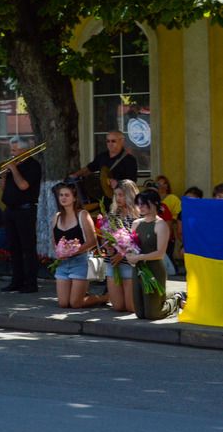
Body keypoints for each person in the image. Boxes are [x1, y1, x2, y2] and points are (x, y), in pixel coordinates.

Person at [125, 190, 186, 319]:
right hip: (138, 269)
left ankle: (176, 299)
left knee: (153, 314)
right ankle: (165, 295)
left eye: (143, 204)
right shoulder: (136, 223)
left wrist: (139, 257)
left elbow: (160, 253)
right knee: (140, 314)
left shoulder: (161, 225)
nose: (140, 207)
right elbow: (131, 246)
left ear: (154, 204)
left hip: (153, 268)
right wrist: (128, 255)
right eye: (138, 204)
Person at [50, 182, 107, 309]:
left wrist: (73, 251)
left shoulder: (82, 215)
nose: (63, 198)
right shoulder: (57, 217)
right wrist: (59, 252)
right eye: (61, 195)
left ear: (74, 198)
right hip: (63, 263)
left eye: (67, 195)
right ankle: (82, 293)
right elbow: (55, 241)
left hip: (81, 261)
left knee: (75, 304)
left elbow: (92, 241)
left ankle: (105, 297)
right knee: (63, 303)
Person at [0, 136, 42, 293]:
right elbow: (4, 189)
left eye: (14, 150)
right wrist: (4, 175)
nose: (12, 153)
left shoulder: (33, 165)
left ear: (24, 150)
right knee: (13, 247)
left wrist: (14, 169)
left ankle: (31, 284)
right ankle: (16, 281)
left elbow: (24, 186)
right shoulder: (13, 166)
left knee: (27, 248)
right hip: (10, 210)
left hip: (25, 210)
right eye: (11, 150)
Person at [102, 179, 140, 313]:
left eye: (121, 195)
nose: (118, 198)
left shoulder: (137, 216)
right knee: (117, 307)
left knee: (131, 308)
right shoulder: (112, 215)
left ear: (130, 195)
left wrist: (122, 253)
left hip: (129, 262)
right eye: (116, 195)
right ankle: (104, 298)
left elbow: (138, 241)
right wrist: (108, 246)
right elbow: (105, 237)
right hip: (113, 262)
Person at [70, 129, 138, 197]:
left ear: (122, 141)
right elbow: (89, 168)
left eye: (113, 141)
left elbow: (132, 181)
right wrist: (75, 175)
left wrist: (119, 183)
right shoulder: (102, 157)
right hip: (101, 196)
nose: (110, 144)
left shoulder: (129, 160)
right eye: (108, 141)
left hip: (120, 197)